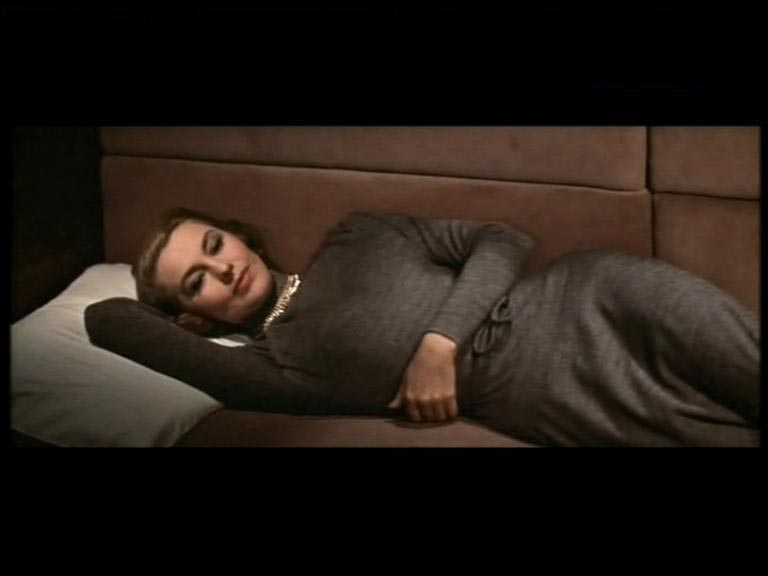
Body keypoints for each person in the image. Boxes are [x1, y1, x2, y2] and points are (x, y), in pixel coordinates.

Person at [85, 207, 761, 446]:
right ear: (190, 315)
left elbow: (503, 239)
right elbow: (105, 318)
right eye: (196, 281)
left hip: (592, 295)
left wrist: (439, 344)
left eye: (214, 245)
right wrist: (166, 312)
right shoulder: (271, 365)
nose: (223, 267)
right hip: (549, 394)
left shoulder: (358, 234)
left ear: (238, 235)